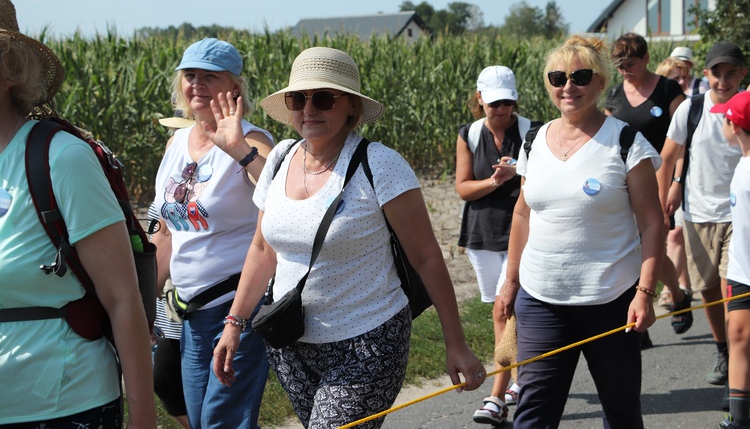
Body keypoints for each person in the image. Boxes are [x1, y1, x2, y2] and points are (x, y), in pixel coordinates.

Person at [212, 46, 487, 428]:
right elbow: (262, 250)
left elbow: (426, 257)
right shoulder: (277, 159)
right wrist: (233, 324)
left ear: (351, 108)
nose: (309, 109)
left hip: (368, 343)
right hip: (291, 344)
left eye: (323, 98)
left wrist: (455, 343)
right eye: (298, 98)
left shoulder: (381, 165)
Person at [0, 0, 157, 426]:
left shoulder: (61, 158)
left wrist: (142, 415)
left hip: (62, 405)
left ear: (8, 70)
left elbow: (122, 299)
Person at [499, 34, 664, 428]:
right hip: (541, 301)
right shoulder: (533, 140)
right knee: (534, 412)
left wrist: (644, 292)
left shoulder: (625, 142)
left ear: (601, 82)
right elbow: (522, 215)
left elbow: (653, 222)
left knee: (620, 410)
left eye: (580, 76)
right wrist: (511, 282)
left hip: (611, 299)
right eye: (557, 77)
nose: (567, 86)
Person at [151, 38, 274, 428]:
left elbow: (284, 194)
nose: (198, 84)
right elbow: (166, 234)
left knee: (223, 421)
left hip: (236, 307)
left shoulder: (253, 140)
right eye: (190, 76)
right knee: (203, 421)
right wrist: (143, 303)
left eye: (210, 76)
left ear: (234, 87)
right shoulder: (176, 143)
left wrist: (238, 148)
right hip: (189, 313)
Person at [657, 41, 748, 387]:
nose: (723, 82)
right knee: (707, 289)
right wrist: (662, 199)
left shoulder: (748, 106)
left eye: (730, 74)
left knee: (731, 289)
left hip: (738, 217)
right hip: (697, 215)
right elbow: (667, 157)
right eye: (716, 74)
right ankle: (723, 350)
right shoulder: (690, 110)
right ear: (705, 74)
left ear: (743, 74)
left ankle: (740, 369)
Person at [455, 65, 533, 425]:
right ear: (480, 99)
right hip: (482, 234)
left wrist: (516, 172)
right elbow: (463, 187)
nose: (501, 109)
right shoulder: (468, 134)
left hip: (523, 231)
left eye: (507, 102)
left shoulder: (532, 131)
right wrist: (495, 180)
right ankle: (519, 375)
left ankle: (496, 397)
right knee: (499, 310)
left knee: (506, 307)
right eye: (494, 102)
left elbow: (543, 177)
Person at [605, 32, 692, 341]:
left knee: (650, 242)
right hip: (624, 182)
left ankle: (675, 297)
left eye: (630, 64)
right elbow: (605, 139)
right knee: (633, 246)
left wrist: (676, 184)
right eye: (619, 66)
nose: (625, 71)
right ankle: (649, 312)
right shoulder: (615, 94)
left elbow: (684, 141)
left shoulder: (668, 90)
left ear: (645, 60)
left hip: (663, 178)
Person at [710, 91, 750, 429]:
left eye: (725, 117)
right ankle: (738, 417)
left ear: (733, 125)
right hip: (740, 270)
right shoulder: (742, 161)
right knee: (737, 333)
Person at [151, 112, 193, 429]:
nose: (172, 137)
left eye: (181, 131)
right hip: (168, 305)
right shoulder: (168, 179)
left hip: (203, 304)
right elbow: (161, 237)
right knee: (164, 381)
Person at [655, 56, 694, 305]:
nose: (681, 82)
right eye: (675, 78)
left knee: (675, 234)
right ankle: (681, 287)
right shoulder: (654, 100)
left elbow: (682, 149)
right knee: (667, 237)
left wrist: (676, 183)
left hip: (684, 177)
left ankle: (675, 290)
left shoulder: (689, 105)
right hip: (656, 176)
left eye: (683, 77)